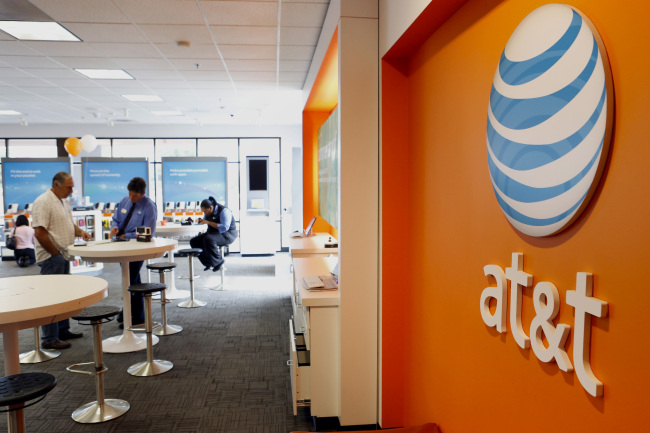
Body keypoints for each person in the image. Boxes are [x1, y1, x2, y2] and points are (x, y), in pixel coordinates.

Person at [32, 171, 92, 350]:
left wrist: (80, 232)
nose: (72, 191)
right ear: (56, 184)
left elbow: (67, 222)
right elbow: (39, 232)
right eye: (69, 187)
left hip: (63, 255)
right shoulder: (43, 202)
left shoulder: (63, 201)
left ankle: (62, 330)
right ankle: (49, 338)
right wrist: (54, 254)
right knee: (52, 297)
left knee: (63, 295)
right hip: (52, 258)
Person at [110, 177, 157, 327]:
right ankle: (132, 313)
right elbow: (116, 219)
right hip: (121, 245)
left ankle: (134, 316)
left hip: (138, 246)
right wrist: (115, 227)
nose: (132, 198)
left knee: (131, 278)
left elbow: (149, 232)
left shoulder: (149, 206)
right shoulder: (124, 200)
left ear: (143, 193)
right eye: (130, 194)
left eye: (135, 196)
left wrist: (127, 235)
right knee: (131, 279)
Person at [190, 196, 238, 271]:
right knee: (194, 241)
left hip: (227, 235)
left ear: (211, 208)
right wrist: (199, 221)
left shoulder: (224, 211)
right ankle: (208, 262)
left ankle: (219, 261)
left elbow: (225, 227)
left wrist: (208, 222)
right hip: (214, 233)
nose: (204, 213)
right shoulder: (208, 212)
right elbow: (205, 221)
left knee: (208, 239)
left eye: (205, 211)